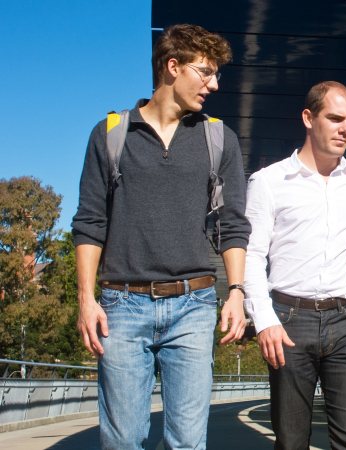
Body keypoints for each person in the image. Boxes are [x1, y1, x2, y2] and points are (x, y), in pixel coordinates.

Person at [72, 24, 250, 449]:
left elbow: (233, 224)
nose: (214, 84)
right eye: (205, 72)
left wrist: (238, 293)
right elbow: (90, 221)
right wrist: (85, 298)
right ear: (173, 67)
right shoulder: (111, 134)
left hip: (194, 305)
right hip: (121, 306)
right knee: (122, 442)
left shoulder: (218, 138)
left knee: (187, 442)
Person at [243, 80, 346, 450]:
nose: (345, 129)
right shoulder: (268, 182)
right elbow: (251, 256)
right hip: (288, 321)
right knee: (291, 441)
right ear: (308, 118)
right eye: (335, 118)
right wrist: (264, 321)